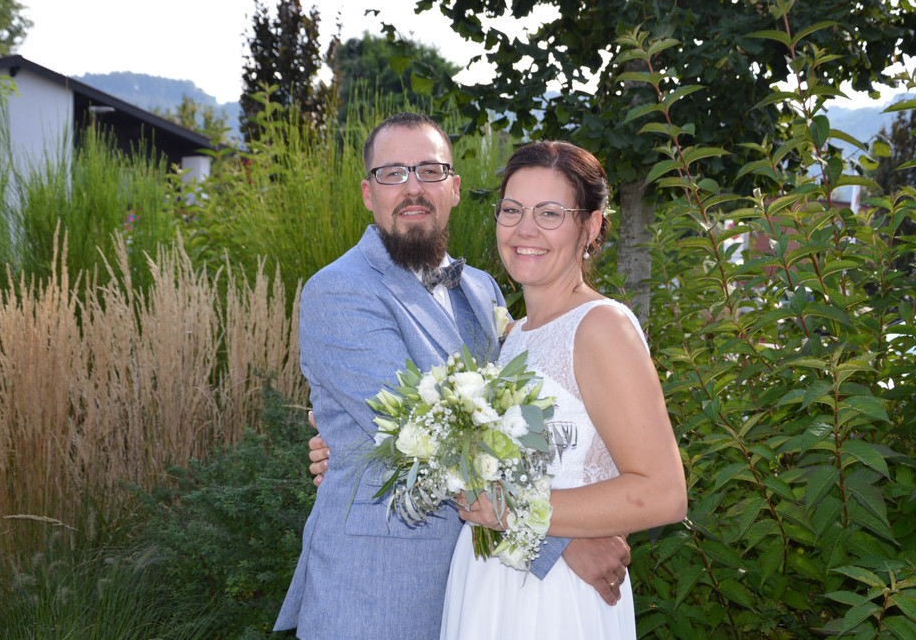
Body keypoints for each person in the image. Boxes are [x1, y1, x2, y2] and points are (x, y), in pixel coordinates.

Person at [275, 114, 630, 640]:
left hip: (483, 590)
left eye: (430, 170)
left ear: (455, 188)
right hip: (379, 597)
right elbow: (420, 437)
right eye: (392, 173)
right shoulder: (339, 290)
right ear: (369, 193)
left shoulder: (485, 289)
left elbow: (513, 419)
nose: (412, 188)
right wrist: (560, 539)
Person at [441, 140, 688, 638]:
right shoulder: (513, 335)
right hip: (488, 585)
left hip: (554, 602)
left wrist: (512, 508)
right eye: (512, 209)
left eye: (550, 213)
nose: (524, 229)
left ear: (590, 227)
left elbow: (663, 493)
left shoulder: (601, 327)